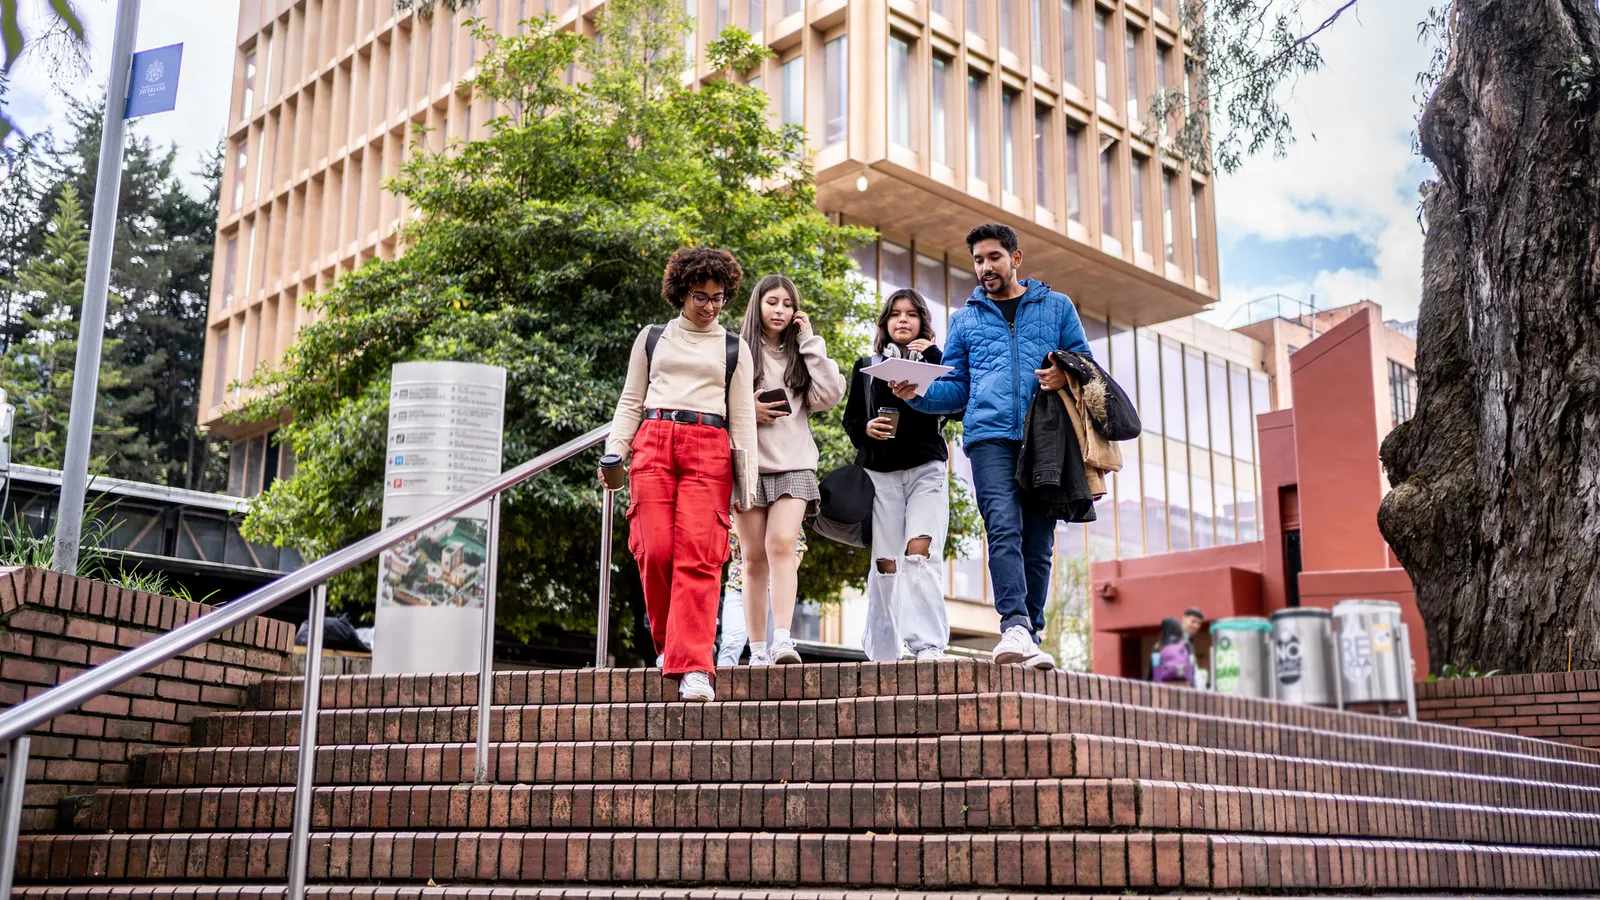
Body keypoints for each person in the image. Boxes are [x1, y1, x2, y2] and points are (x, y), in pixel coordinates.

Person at [891, 223, 1090, 669]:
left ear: (1015, 258)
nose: (985, 267)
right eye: (978, 260)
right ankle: (1014, 624)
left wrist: (1064, 374)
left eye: (993, 258)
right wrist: (917, 395)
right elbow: (957, 390)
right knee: (1003, 525)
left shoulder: (1057, 308)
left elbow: (1085, 364)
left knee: (1039, 542)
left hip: (1046, 438)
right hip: (988, 438)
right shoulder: (965, 319)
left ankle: (1030, 636)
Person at [604, 247, 757, 702]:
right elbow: (631, 399)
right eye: (700, 296)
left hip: (709, 447)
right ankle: (671, 646)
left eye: (719, 297)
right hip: (653, 438)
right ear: (679, 293)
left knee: (698, 554)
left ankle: (694, 667)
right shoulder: (652, 338)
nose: (710, 306)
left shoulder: (734, 347)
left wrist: (745, 487)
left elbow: (743, 416)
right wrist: (614, 451)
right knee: (654, 549)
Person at [735, 274, 846, 666]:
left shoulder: (802, 352)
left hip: (795, 463)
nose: (779, 310)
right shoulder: (736, 350)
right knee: (752, 558)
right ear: (758, 306)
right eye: (772, 302)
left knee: (782, 544)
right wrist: (750, 410)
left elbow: (831, 394)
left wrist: (810, 340)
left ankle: (783, 639)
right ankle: (758, 649)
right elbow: (715, 405)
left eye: (786, 303)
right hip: (747, 465)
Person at [843, 289, 951, 662]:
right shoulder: (866, 364)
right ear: (885, 323)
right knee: (886, 563)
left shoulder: (938, 361)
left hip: (926, 468)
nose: (903, 320)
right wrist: (866, 428)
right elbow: (851, 419)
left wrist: (933, 354)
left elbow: (955, 407)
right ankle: (885, 651)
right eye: (895, 314)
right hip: (879, 474)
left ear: (922, 321)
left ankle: (927, 644)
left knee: (919, 553)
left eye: (911, 314)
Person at [716, 529, 807, 667]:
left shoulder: (782, 512)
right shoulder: (733, 513)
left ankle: (772, 685)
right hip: (738, 586)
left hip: (773, 590)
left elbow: (798, 546)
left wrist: (781, 577)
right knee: (731, 643)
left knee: (774, 647)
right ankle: (724, 685)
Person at [1151, 617, 1195, 686]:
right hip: (1184, 687)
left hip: (1163, 689)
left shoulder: (1157, 648)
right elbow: (1191, 668)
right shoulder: (1187, 646)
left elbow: (1154, 672)